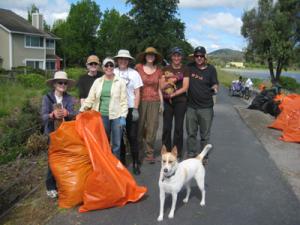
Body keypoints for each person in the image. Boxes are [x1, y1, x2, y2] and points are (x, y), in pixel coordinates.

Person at [80, 57, 128, 159]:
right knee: (103, 143)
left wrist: (123, 116)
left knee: (117, 144)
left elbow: (124, 101)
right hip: (101, 116)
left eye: (111, 65)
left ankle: (115, 166)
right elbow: (90, 98)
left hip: (116, 116)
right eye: (106, 65)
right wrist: (82, 110)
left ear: (114, 67)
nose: (109, 67)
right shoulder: (98, 81)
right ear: (103, 67)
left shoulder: (120, 81)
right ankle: (105, 165)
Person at [41, 71, 77, 198]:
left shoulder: (70, 98)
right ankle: (50, 186)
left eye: (65, 83)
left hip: (66, 134)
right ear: (54, 84)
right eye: (60, 82)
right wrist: (52, 115)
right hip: (52, 133)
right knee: (53, 159)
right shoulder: (47, 98)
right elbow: (43, 117)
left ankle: (63, 184)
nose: (62, 85)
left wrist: (68, 114)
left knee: (65, 159)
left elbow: (75, 115)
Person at [186, 46, 219, 164]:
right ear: (194, 57)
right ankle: (191, 153)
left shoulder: (211, 69)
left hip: (206, 107)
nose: (199, 58)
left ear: (205, 57)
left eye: (201, 56)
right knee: (191, 133)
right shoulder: (189, 68)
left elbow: (215, 84)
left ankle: (204, 156)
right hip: (191, 106)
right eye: (197, 56)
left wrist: (215, 88)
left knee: (204, 134)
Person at [114, 49, 143, 175]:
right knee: (119, 137)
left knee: (132, 136)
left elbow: (137, 92)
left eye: (125, 59)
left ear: (129, 61)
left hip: (130, 108)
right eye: (120, 58)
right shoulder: (113, 72)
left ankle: (136, 162)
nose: (123, 61)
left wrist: (136, 109)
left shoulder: (134, 74)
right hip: (117, 109)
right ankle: (122, 162)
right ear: (117, 60)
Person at [159, 47, 189, 160]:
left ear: (181, 57)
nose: (176, 58)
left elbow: (185, 87)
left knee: (178, 128)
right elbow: (161, 86)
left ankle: (177, 151)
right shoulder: (165, 68)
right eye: (174, 55)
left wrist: (173, 94)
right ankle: (165, 151)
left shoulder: (185, 69)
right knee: (166, 127)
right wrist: (170, 81)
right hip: (167, 102)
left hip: (180, 101)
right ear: (171, 56)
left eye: (178, 55)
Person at [135, 47, 163, 164]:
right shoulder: (138, 68)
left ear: (155, 57)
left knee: (152, 128)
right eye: (148, 54)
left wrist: (162, 103)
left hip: (155, 101)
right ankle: (138, 150)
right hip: (140, 100)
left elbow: (160, 89)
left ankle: (149, 152)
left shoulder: (159, 70)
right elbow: (134, 85)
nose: (150, 56)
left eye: (152, 55)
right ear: (145, 56)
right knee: (139, 127)